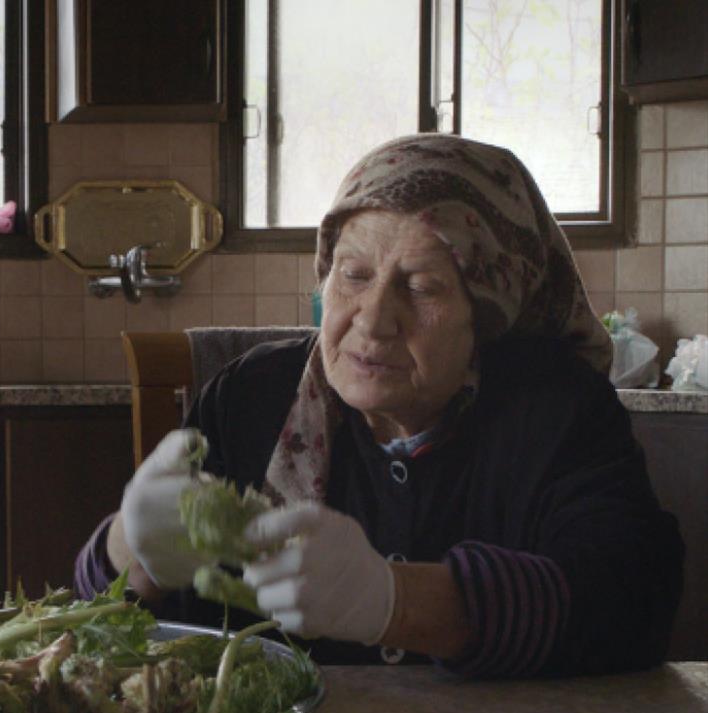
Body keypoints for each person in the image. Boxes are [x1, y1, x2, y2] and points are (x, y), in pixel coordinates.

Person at [76, 133, 684, 678]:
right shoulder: (248, 395)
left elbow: (631, 603)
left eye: (421, 288)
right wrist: (127, 553)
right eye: (353, 274)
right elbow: (93, 625)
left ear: (490, 313)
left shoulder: (555, 409)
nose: (373, 320)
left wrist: (395, 601)